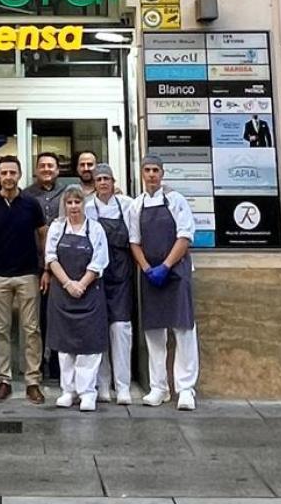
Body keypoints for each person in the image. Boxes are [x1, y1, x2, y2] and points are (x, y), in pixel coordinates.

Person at [129, 155, 199, 411]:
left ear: (162, 173)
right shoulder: (136, 205)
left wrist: (166, 266)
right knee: (154, 333)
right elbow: (134, 242)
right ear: (142, 173)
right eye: (147, 170)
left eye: (155, 170)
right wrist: (147, 268)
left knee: (183, 330)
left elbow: (184, 236)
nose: (151, 175)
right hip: (150, 276)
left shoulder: (176, 201)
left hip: (176, 273)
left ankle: (186, 389)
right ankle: (159, 387)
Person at [0, 156, 47, 404]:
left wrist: (46, 268)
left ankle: (32, 382)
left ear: (19, 174)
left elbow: (43, 235)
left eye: (12, 172)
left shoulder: (31, 204)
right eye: (4, 173)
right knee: (1, 330)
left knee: (31, 330)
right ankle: (4, 381)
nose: (8, 177)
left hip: (28, 273)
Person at [45, 186, 109, 411]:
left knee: (88, 346)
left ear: (84, 205)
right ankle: (68, 391)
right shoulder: (56, 227)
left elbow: (100, 261)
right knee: (65, 345)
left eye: (77, 202)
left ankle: (87, 392)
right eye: (70, 203)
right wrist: (68, 284)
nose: (73, 207)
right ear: (65, 205)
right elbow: (51, 257)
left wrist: (81, 284)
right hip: (62, 294)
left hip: (89, 294)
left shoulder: (96, 229)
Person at [85, 163, 135, 405]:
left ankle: (123, 386)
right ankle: (102, 384)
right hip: (97, 276)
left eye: (107, 178)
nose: (103, 182)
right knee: (99, 330)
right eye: (99, 179)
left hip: (122, 276)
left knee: (121, 329)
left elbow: (135, 239)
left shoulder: (127, 206)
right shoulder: (86, 208)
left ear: (114, 182)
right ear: (94, 183)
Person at [23, 152, 64, 380]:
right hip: (34, 266)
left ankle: (58, 364)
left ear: (58, 170)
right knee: (36, 320)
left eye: (51, 165)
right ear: (35, 170)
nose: (47, 169)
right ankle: (36, 365)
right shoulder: (26, 196)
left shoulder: (67, 194)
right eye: (42, 166)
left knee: (58, 316)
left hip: (63, 267)